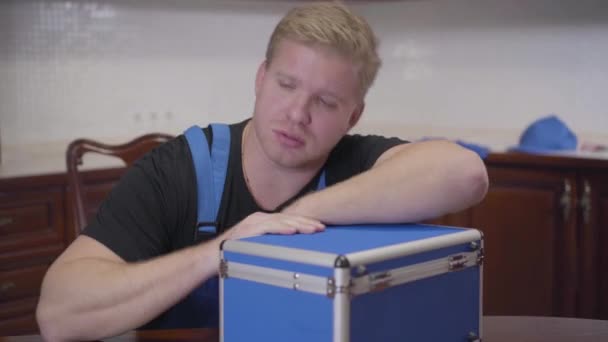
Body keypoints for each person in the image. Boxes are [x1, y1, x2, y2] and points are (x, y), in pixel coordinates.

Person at [36, 2, 489, 341]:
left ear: (353, 116)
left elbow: (466, 174)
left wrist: (300, 213)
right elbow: (58, 314)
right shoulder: (181, 169)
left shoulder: (357, 165)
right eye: (286, 85)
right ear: (260, 78)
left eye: (326, 102)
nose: (297, 114)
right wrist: (221, 251)